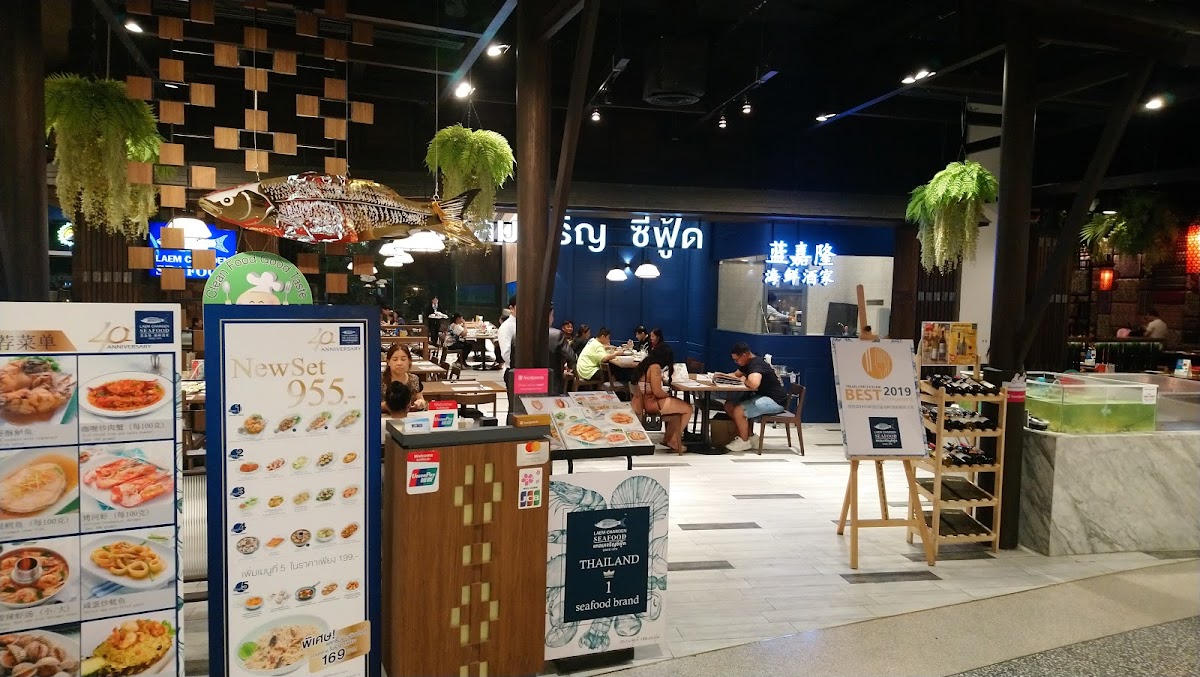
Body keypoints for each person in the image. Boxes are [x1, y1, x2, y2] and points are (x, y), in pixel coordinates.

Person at [631, 330, 693, 454]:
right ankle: (674, 440)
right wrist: (667, 395)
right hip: (650, 404)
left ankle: (668, 439)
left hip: (640, 401)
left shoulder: (645, 364)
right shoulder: (655, 367)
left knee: (677, 406)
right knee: (687, 408)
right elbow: (657, 392)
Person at [718, 342, 787, 452]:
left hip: (775, 401)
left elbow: (754, 383)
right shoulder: (746, 363)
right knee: (729, 405)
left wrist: (745, 380)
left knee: (738, 410)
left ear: (744, 355)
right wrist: (721, 377)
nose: (736, 362)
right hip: (763, 396)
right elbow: (736, 375)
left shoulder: (756, 365)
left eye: (736, 360)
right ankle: (752, 437)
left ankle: (744, 441)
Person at [381, 344, 427, 413]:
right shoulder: (380, 380)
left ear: (409, 361)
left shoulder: (414, 379)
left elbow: (421, 400)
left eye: (403, 359)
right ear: (388, 362)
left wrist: (421, 403)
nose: (399, 363)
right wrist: (387, 405)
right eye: (395, 359)